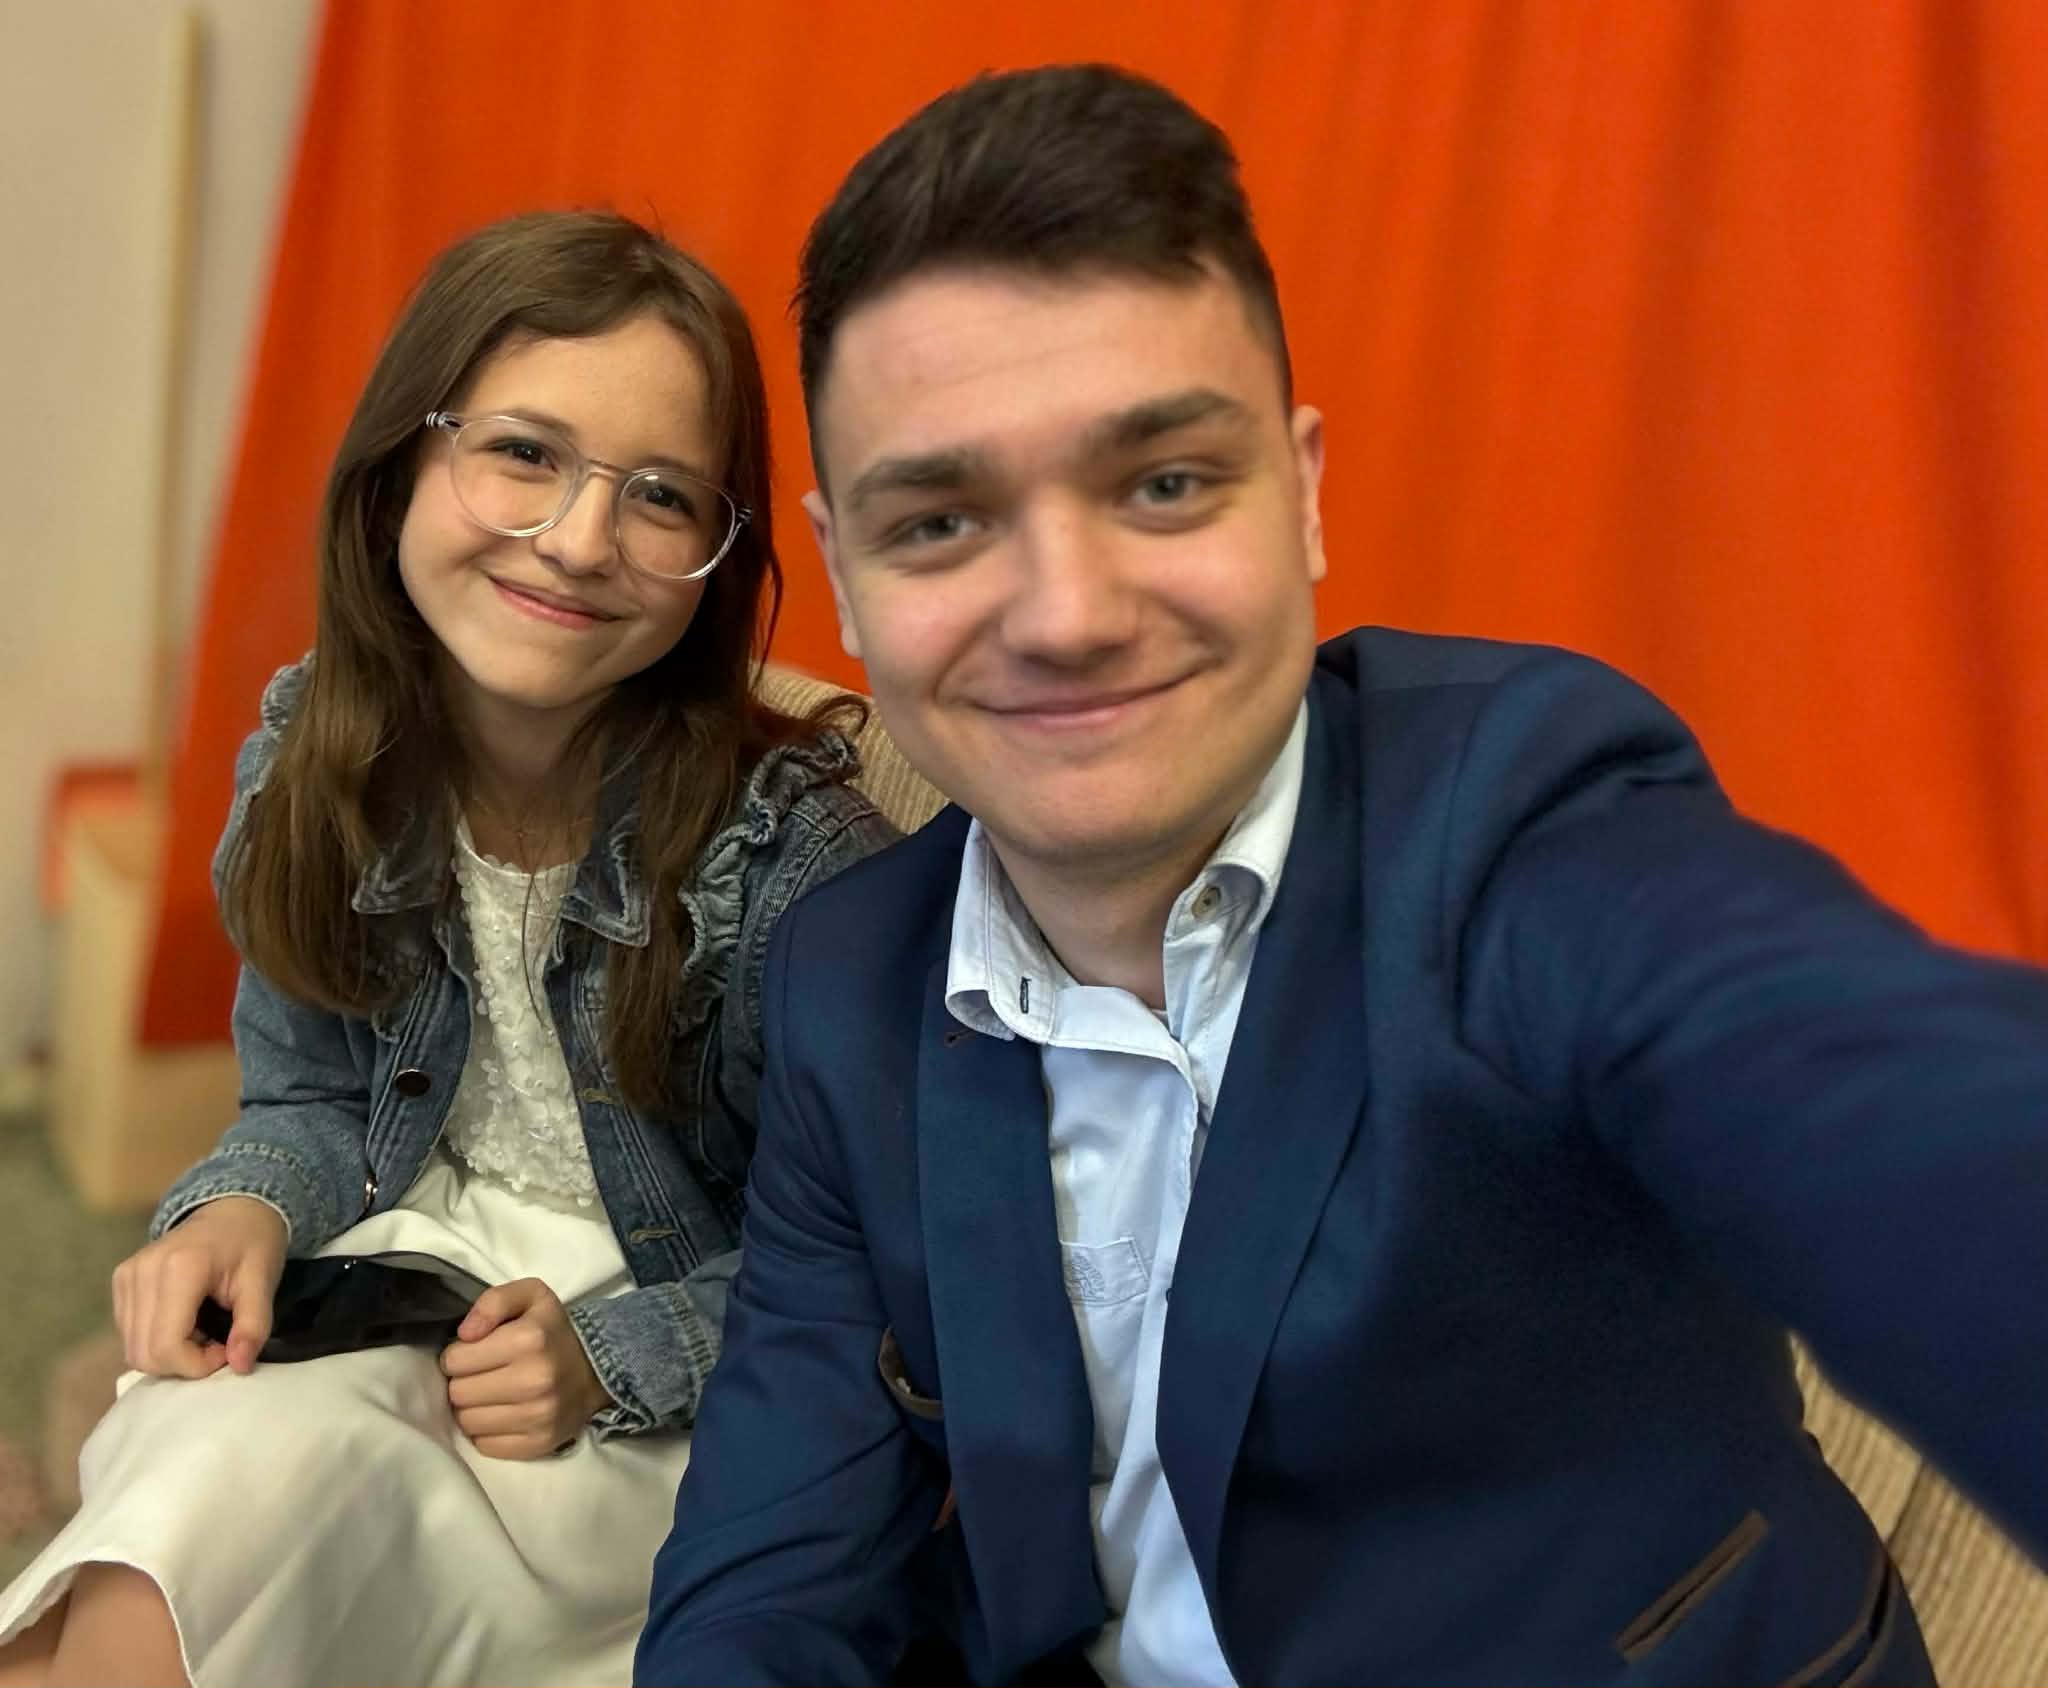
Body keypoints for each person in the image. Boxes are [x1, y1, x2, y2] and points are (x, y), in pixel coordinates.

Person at [635, 64, 2048, 1688]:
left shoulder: (1527, 818)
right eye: (941, 522)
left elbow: (1910, 1123)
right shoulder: (847, 974)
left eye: (1165, 483)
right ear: (843, 576)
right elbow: (769, 1577)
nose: (1068, 613)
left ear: (1302, 495)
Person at [0, 210, 893, 1688]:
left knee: (211, 1538)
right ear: (402, 464)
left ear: (717, 555)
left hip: (663, 1403)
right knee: (180, 1525)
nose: (582, 541)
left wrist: (617, 1361)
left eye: (662, 496)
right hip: (404, 1278)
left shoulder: (798, 864)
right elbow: (309, 1098)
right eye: (525, 453)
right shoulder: (314, 755)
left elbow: (869, 1275)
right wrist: (243, 1203)